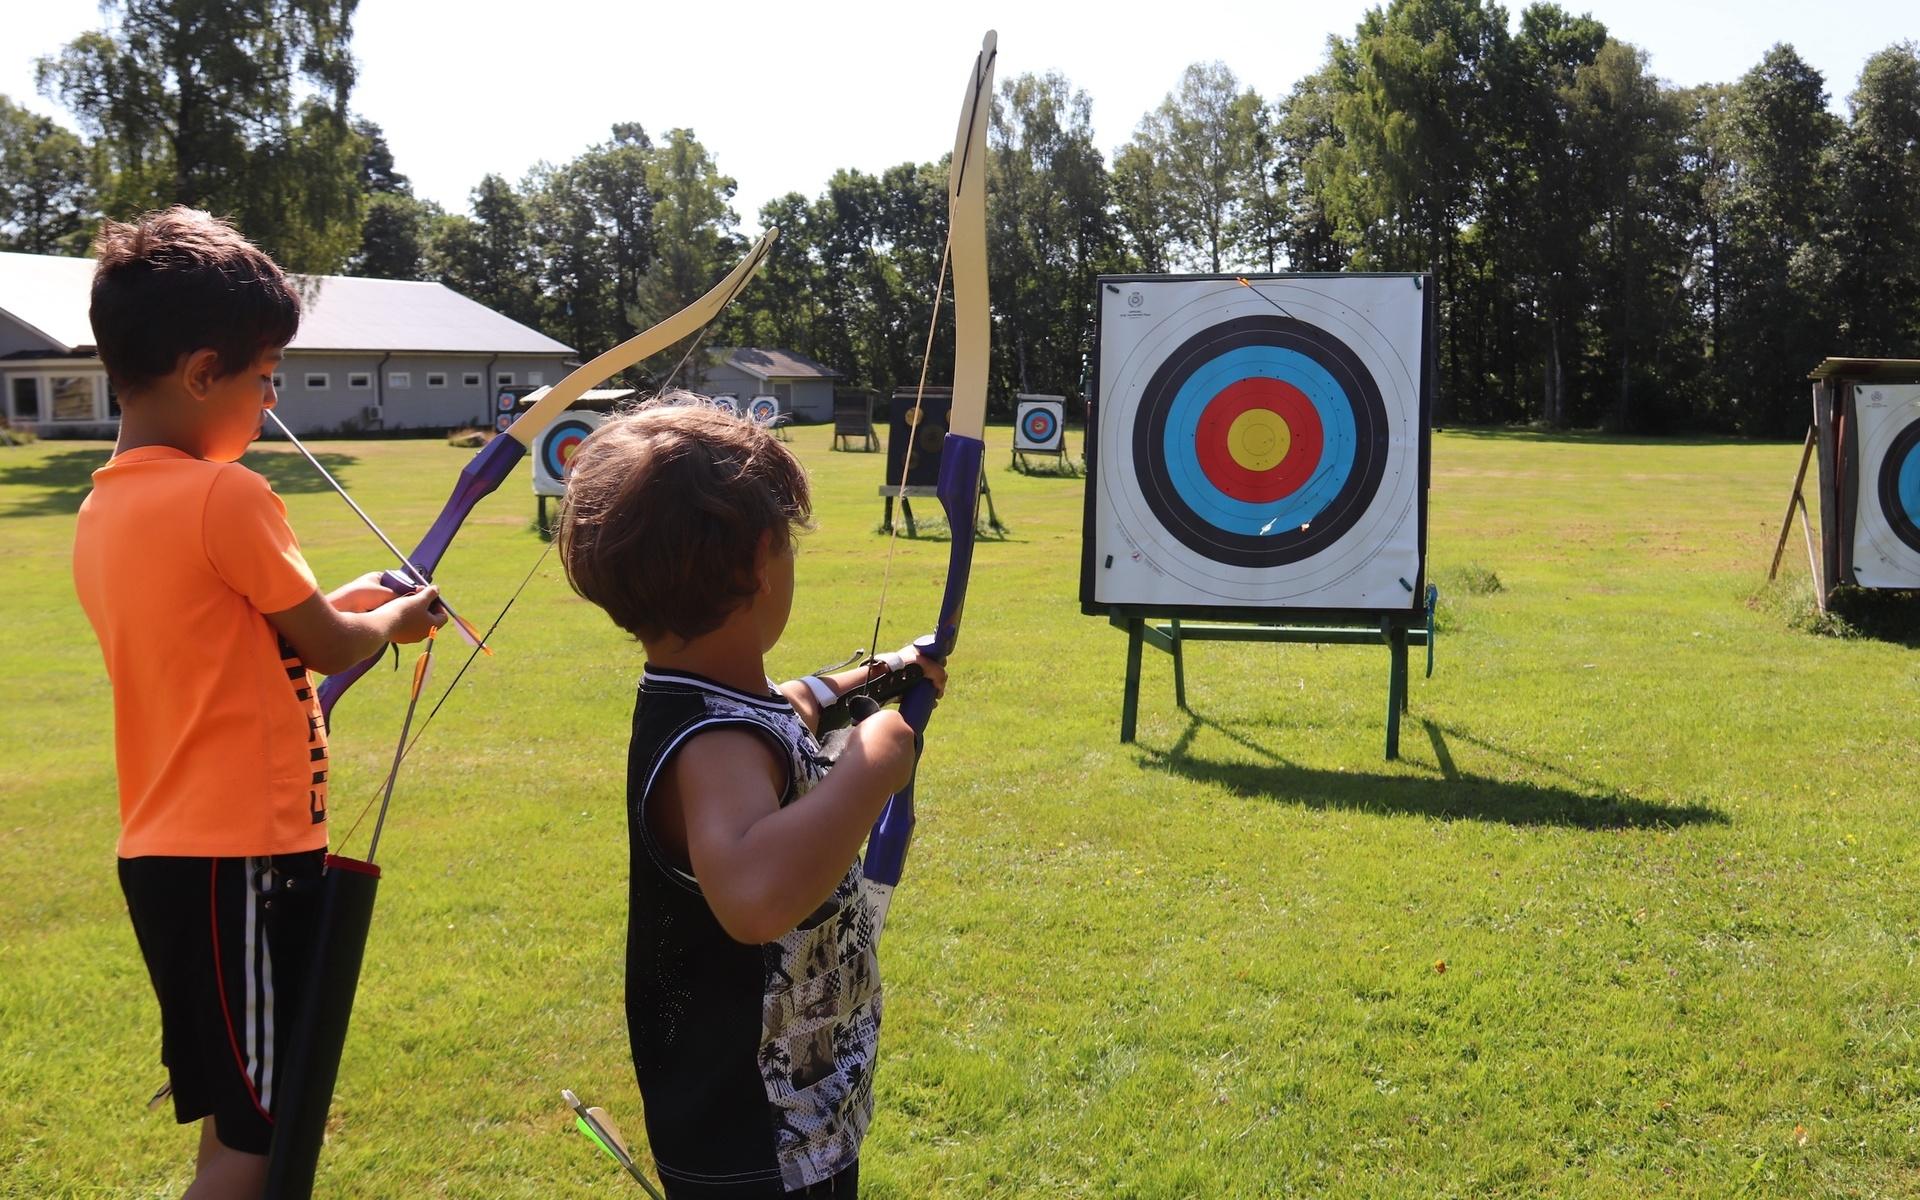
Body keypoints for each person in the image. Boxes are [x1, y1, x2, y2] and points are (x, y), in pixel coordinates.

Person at [71, 206, 444, 1199]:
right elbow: (324, 643)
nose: (273, 396)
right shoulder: (224, 496)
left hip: (180, 859)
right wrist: (394, 626)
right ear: (203, 373)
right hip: (235, 859)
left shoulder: (110, 507)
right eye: (265, 375)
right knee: (265, 1131)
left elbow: (262, 628)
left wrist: (360, 603)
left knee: (244, 1114)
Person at [557, 399, 943, 1198]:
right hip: (759, 1135)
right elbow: (754, 896)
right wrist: (873, 762)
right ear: (763, 560)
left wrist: (874, 678)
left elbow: (788, 703)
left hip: (789, 1110)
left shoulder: (706, 694)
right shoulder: (716, 745)